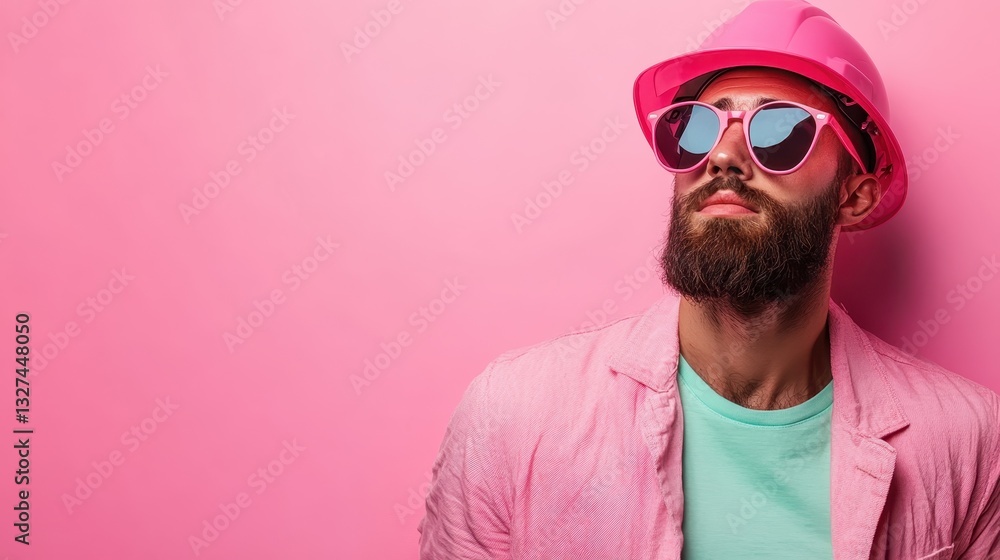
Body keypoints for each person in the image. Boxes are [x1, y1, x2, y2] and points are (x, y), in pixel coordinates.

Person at [417, 1, 1000, 558]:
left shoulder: (966, 442)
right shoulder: (516, 414)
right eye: (695, 126)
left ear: (854, 194)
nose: (722, 156)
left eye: (780, 131)